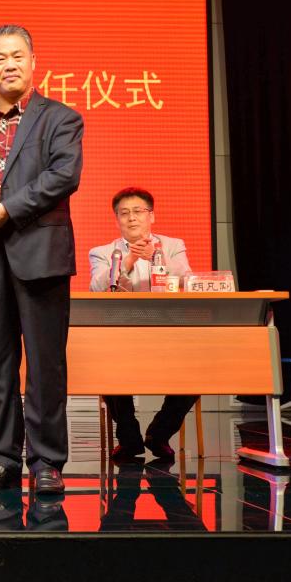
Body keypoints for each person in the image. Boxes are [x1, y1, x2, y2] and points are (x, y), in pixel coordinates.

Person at [0, 24, 83, 495]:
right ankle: (4, 459)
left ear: (33, 61)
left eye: (17, 56)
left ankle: (47, 461)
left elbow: (63, 176)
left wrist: (7, 208)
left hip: (41, 255)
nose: (9, 65)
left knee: (46, 363)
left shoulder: (61, 118)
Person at [88, 187, 196, 462]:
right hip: (122, 334)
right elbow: (97, 287)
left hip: (168, 332)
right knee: (107, 371)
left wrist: (157, 258)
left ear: (152, 216)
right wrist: (130, 259)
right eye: (124, 213)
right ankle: (129, 438)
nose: (131, 218)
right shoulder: (102, 252)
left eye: (138, 211)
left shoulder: (173, 245)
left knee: (196, 374)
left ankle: (159, 433)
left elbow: (187, 280)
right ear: (117, 219)